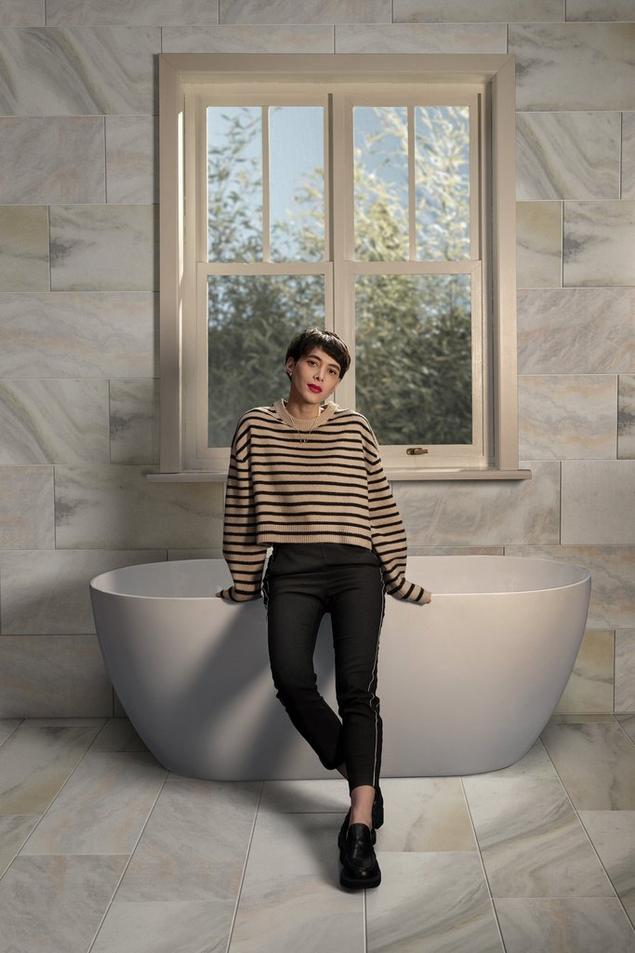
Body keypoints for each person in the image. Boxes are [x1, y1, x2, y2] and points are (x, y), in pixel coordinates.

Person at [216, 327, 432, 890]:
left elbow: (380, 504)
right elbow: (240, 507)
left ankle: (359, 825)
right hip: (292, 568)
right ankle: (366, 778)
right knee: (291, 679)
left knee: (358, 689)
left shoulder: (354, 427)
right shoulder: (255, 426)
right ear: (289, 365)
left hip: (357, 568)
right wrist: (243, 582)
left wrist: (397, 576)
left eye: (333, 371)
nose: (321, 377)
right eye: (313, 364)